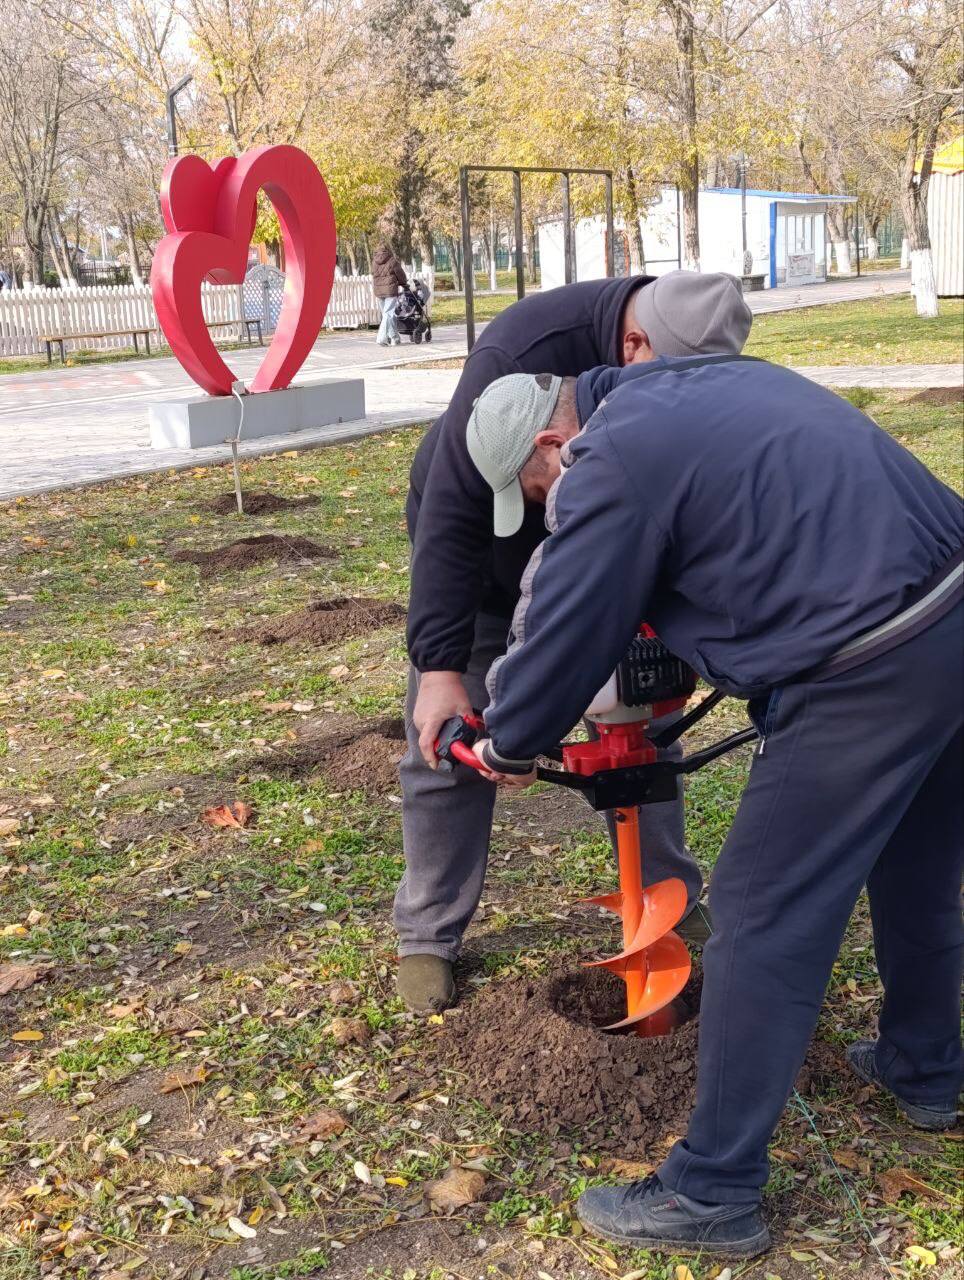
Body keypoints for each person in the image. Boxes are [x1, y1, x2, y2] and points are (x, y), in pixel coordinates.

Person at [466, 358, 962, 1257]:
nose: (545, 510)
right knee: (917, 867)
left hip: (866, 661)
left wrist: (510, 737)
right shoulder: (692, 387)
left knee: (761, 914)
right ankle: (924, 1069)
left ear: (552, 441)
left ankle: (713, 1192)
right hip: (951, 607)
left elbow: (574, 617)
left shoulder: (609, 457)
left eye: (537, 492)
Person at [397, 271, 754, 1013]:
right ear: (633, 345)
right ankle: (428, 934)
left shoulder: (685, 354)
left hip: (614, 569)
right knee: (444, 743)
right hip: (490, 578)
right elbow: (449, 524)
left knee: (643, 736)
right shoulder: (517, 363)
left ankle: (666, 895)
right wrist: (439, 667)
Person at [372, 240, 407, 346]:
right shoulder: (392, 261)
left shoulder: (374, 261)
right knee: (388, 314)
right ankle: (381, 339)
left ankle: (394, 338)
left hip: (378, 291)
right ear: (388, 249)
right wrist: (403, 283)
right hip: (390, 290)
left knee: (387, 315)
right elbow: (400, 274)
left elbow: (373, 274)